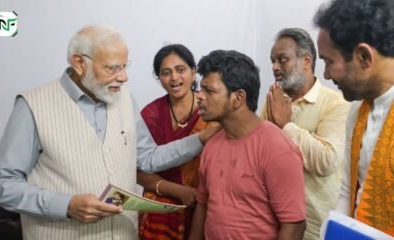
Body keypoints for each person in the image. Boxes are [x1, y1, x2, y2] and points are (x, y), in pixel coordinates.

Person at [0, 25, 218, 240]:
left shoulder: (124, 99)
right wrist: (66, 205)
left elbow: (148, 158)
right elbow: (3, 184)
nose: (123, 77)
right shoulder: (32, 105)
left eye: (124, 66)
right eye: (113, 68)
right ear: (79, 63)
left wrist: (199, 139)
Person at [189, 50, 307, 240]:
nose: (199, 96)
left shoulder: (277, 149)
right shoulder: (212, 145)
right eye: (201, 89)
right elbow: (202, 206)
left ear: (238, 98)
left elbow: (294, 227)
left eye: (209, 91)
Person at [314, 0, 394, 236]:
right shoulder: (357, 109)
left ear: (363, 56)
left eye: (329, 62)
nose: (326, 75)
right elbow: (348, 192)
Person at [261, 28, 349, 239]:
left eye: (282, 59)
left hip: (314, 228)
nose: (275, 67)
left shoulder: (335, 104)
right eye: (272, 61)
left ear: (307, 61)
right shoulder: (273, 101)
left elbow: (327, 161)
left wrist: (286, 126)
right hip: (273, 223)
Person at [137, 44, 213, 240]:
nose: (174, 78)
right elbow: (138, 170)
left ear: (193, 71)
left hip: (204, 207)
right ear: (159, 77)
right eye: (166, 72)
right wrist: (179, 191)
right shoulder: (150, 114)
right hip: (159, 213)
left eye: (181, 70)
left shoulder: (212, 112)